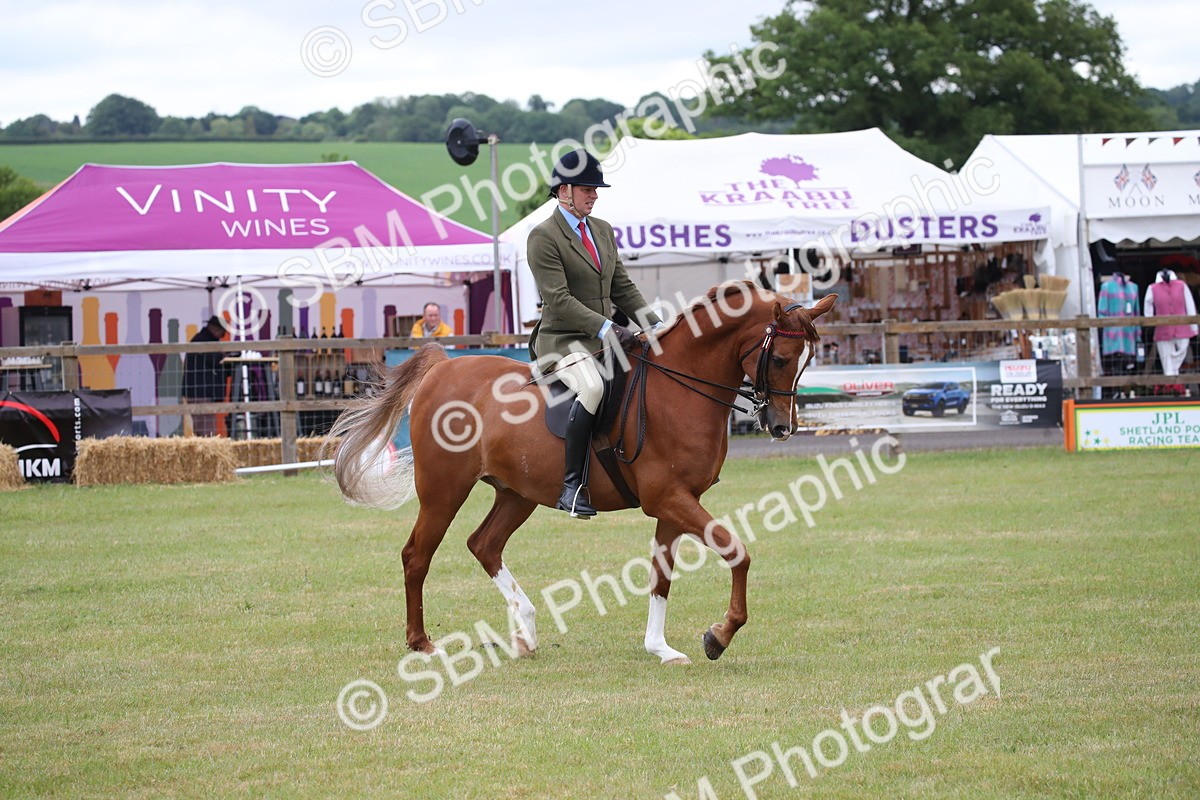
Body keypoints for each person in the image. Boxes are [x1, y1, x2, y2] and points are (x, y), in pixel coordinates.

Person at [527, 148, 663, 519]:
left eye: (595, 189)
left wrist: (654, 324)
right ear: (564, 191)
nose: (595, 195)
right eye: (588, 188)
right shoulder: (543, 237)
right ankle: (572, 486)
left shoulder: (601, 230)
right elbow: (559, 299)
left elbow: (622, 287)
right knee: (593, 387)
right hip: (562, 342)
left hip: (603, 340)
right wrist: (607, 327)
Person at [181, 315, 228, 436]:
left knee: (204, 428)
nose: (221, 337)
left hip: (200, 392)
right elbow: (213, 360)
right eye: (222, 333)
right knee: (206, 431)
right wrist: (224, 355)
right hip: (201, 393)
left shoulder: (201, 339)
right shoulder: (203, 341)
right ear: (216, 329)